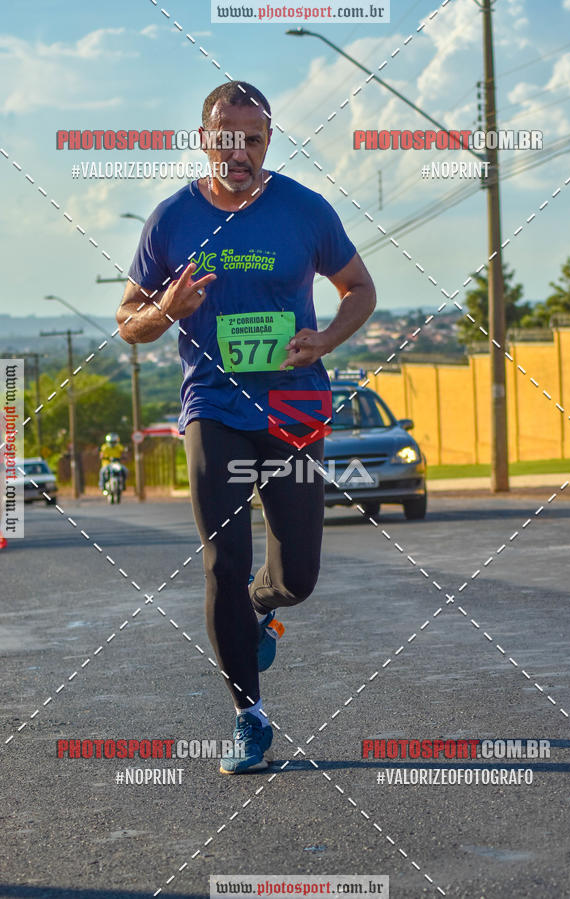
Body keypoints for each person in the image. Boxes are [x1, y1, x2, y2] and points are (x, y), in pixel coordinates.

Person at [117, 81, 376, 774]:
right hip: (214, 407)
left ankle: (265, 602)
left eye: (253, 138)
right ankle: (249, 717)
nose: (239, 150)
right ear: (205, 138)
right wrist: (165, 307)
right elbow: (129, 323)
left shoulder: (304, 211)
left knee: (299, 577)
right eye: (226, 137)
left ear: (269, 140)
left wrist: (325, 340)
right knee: (222, 561)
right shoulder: (171, 220)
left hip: (293, 406)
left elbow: (361, 288)